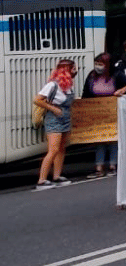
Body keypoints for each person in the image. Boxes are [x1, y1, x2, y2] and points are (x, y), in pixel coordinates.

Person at [33, 59, 77, 190]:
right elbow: (37, 99)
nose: (75, 71)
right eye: (73, 68)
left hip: (65, 117)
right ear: (67, 70)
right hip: (54, 118)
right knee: (53, 150)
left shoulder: (68, 85)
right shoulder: (53, 85)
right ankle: (41, 180)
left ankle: (57, 176)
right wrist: (53, 108)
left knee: (62, 148)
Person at [82, 52, 124, 178]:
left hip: (113, 111)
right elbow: (86, 93)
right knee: (99, 140)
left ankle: (113, 165)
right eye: (96, 64)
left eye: (100, 64)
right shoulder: (91, 76)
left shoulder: (117, 75)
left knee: (113, 140)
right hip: (97, 112)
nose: (97, 66)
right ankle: (99, 167)